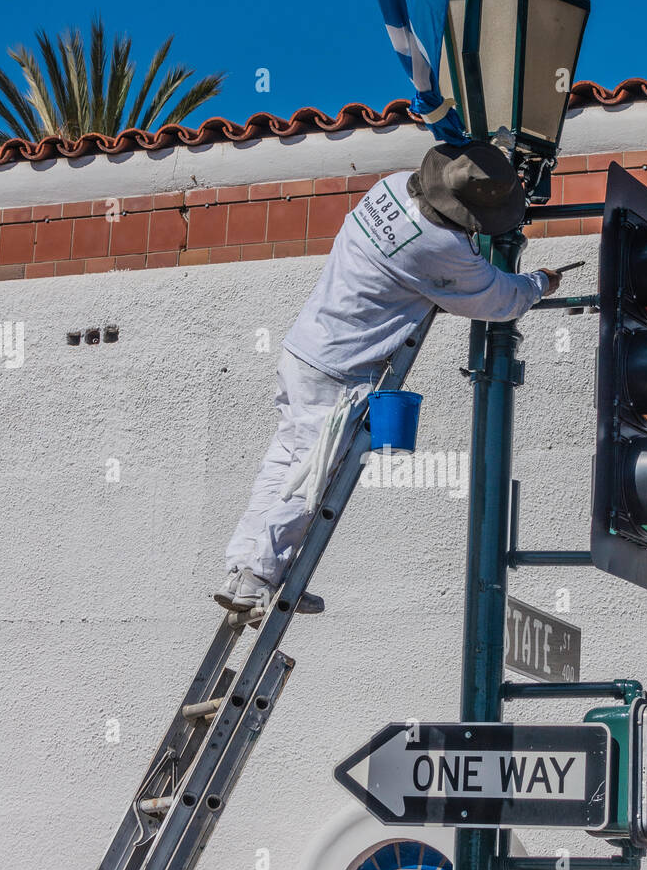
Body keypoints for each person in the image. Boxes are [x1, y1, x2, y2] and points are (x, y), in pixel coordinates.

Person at [215, 139, 564, 614]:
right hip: (339, 372)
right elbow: (496, 298)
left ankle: (243, 566)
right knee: (311, 477)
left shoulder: (391, 186)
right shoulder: (438, 244)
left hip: (304, 349)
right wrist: (540, 282)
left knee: (284, 462)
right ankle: (260, 578)